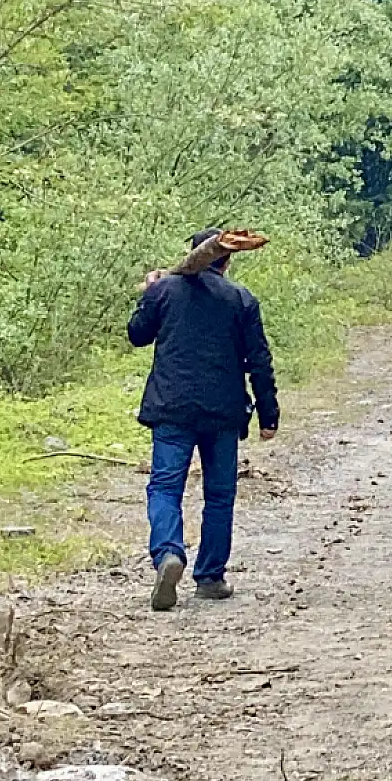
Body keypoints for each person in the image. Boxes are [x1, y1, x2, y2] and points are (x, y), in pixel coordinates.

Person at [128, 228, 279, 612]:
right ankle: (210, 577)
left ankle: (167, 554)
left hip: (171, 409)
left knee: (164, 487)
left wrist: (149, 293)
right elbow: (258, 361)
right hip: (223, 413)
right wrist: (268, 413)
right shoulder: (241, 299)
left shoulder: (165, 291)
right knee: (219, 495)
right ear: (227, 260)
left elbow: (137, 335)